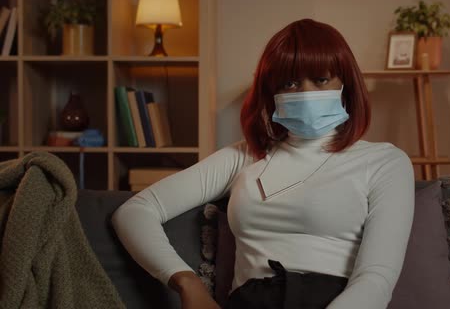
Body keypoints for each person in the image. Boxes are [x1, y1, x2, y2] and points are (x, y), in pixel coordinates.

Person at [112, 18, 415, 309]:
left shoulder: (384, 162)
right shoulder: (242, 157)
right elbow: (135, 212)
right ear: (272, 94)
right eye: (290, 83)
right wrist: (187, 282)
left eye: (321, 79)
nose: (306, 93)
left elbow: (376, 279)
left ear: (345, 85)